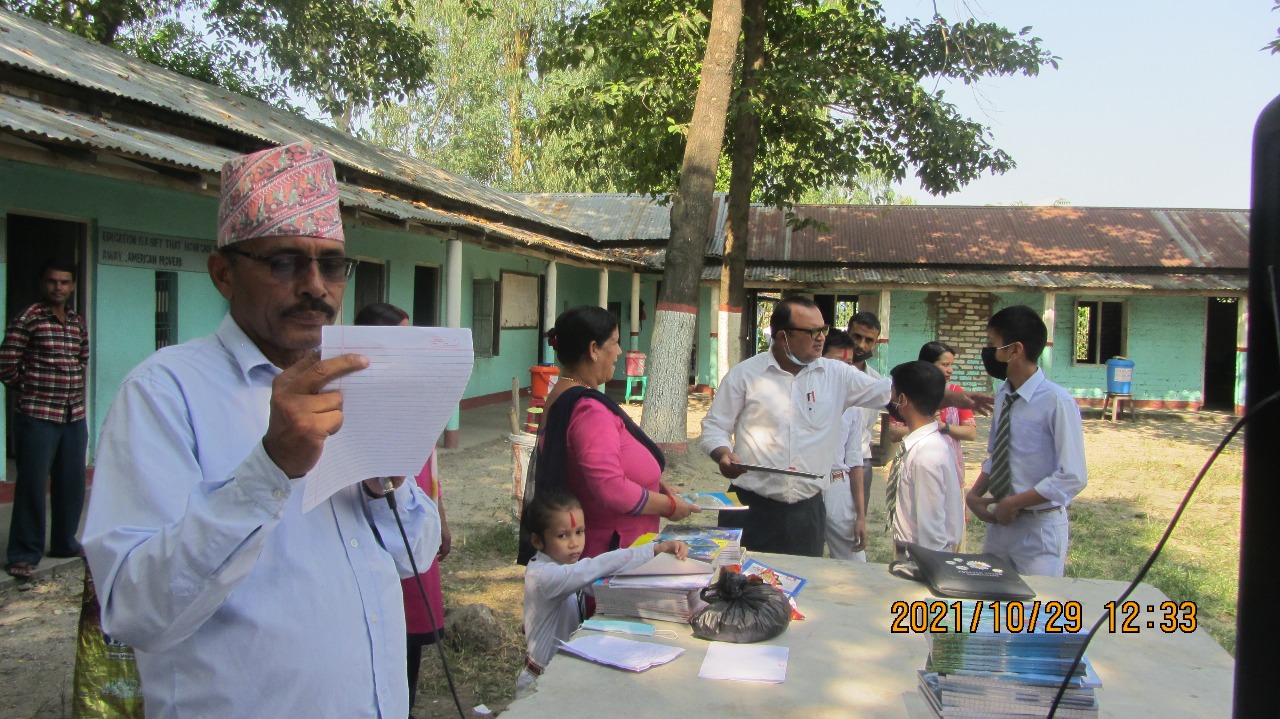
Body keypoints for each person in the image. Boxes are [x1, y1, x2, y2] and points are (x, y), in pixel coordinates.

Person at [82, 141, 441, 718]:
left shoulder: (354, 381)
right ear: (223, 274)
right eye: (284, 263)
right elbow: (134, 609)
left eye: (331, 265)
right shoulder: (164, 392)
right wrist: (270, 468)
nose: (315, 286)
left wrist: (386, 484)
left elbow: (414, 556)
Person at [702, 297, 986, 557]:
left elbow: (891, 392)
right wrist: (723, 454)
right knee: (737, 584)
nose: (821, 338)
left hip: (806, 511)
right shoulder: (745, 375)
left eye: (823, 330)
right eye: (812, 332)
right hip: (748, 506)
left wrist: (953, 397)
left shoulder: (837, 375)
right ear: (783, 336)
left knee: (801, 589)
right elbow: (714, 426)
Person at [518, 305, 698, 565]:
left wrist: (653, 485)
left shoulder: (562, 394)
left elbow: (591, 468)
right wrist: (668, 506)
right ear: (594, 349)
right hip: (611, 551)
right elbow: (610, 487)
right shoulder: (589, 410)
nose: (619, 352)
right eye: (614, 343)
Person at [354, 301, 451, 710]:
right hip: (377, 527)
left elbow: (430, 466)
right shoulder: (353, 397)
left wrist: (440, 516)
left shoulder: (413, 394)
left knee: (410, 634)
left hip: (414, 518)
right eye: (399, 339)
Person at [517, 486, 688, 698]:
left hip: (562, 673)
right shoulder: (543, 576)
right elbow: (593, 568)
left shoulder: (564, 566)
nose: (574, 543)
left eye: (579, 532)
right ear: (537, 541)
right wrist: (651, 550)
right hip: (539, 683)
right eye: (562, 535)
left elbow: (599, 585)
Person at [966, 305, 1087, 577]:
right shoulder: (1004, 394)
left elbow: (1073, 476)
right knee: (992, 597)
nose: (988, 353)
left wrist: (1016, 502)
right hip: (1000, 525)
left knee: (1036, 601)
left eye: (992, 345)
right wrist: (975, 494)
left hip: (1038, 528)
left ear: (1015, 350)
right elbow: (998, 454)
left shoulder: (1056, 402)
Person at [2, 259, 90, 579]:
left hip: (73, 415)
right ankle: (25, 553)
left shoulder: (77, 322)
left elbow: (82, 358)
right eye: (53, 281)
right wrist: (31, 389)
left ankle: (64, 543)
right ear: (43, 284)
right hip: (37, 416)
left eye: (64, 282)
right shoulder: (29, 318)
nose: (58, 287)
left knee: (71, 483)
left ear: (72, 286)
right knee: (32, 484)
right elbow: (7, 365)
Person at [884, 361, 964, 556]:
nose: (889, 398)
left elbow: (931, 529)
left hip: (924, 558)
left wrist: (929, 565)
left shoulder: (926, 455)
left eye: (892, 392)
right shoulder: (923, 444)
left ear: (902, 399)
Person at [888, 341, 978, 509]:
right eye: (945, 365)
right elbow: (894, 433)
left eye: (951, 365)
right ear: (927, 366)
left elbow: (971, 433)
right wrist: (925, 425)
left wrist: (943, 426)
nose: (950, 370)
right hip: (915, 461)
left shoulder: (957, 394)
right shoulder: (908, 394)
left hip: (948, 463)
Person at [819, 330, 867, 561]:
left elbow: (855, 460)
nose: (845, 370)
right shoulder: (800, 398)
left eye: (849, 364)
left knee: (854, 563)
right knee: (804, 558)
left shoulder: (853, 406)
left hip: (838, 486)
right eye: (838, 362)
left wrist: (861, 516)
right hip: (806, 487)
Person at [847, 312, 884, 513]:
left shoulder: (875, 380)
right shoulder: (825, 372)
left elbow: (869, 424)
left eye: (869, 340)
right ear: (847, 334)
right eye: (857, 337)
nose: (861, 345)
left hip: (861, 459)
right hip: (827, 459)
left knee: (857, 520)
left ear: (875, 343)